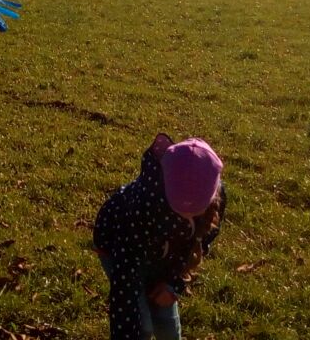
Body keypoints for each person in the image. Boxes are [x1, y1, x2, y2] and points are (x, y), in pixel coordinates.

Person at [93, 134, 226, 340]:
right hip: (119, 247)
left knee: (167, 321)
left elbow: (200, 241)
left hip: (165, 254)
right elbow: (125, 282)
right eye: (179, 209)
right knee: (141, 324)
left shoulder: (215, 198)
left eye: (195, 211)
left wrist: (172, 284)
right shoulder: (143, 207)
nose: (187, 216)